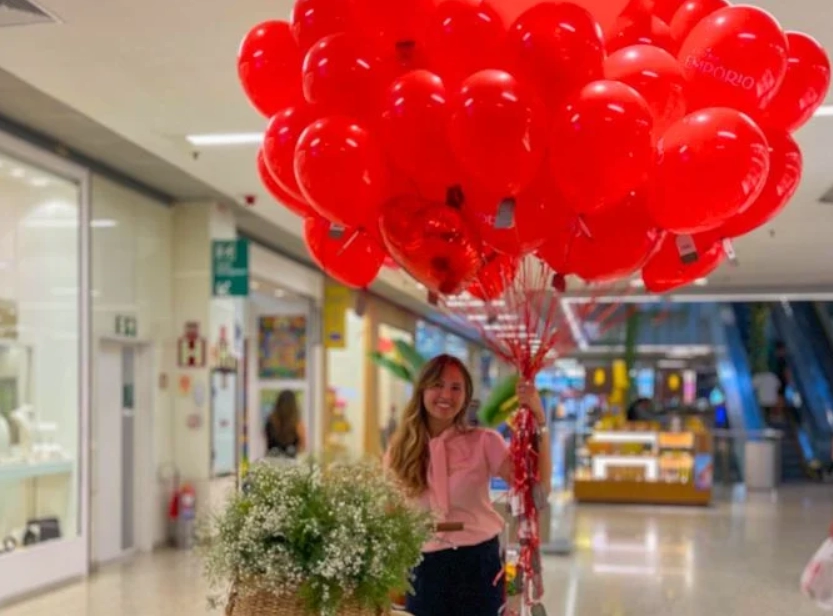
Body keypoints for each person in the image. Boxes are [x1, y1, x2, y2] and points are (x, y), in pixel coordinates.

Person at [385, 354, 551, 616]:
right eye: (438, 385)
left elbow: (536, 491)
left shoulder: (485, 441)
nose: (446, 395)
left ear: (466, 396)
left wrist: (539, 420)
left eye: (456, 388)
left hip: (478, 565)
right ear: (422, 390)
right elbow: (389, 514)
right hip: (423, 568)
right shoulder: (400, 450)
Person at [264, 390, 306, 459]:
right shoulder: (297, 424)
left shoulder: (271, 422)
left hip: (272, 462)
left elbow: (267, 442)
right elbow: (302, 446)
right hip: (291, 464)